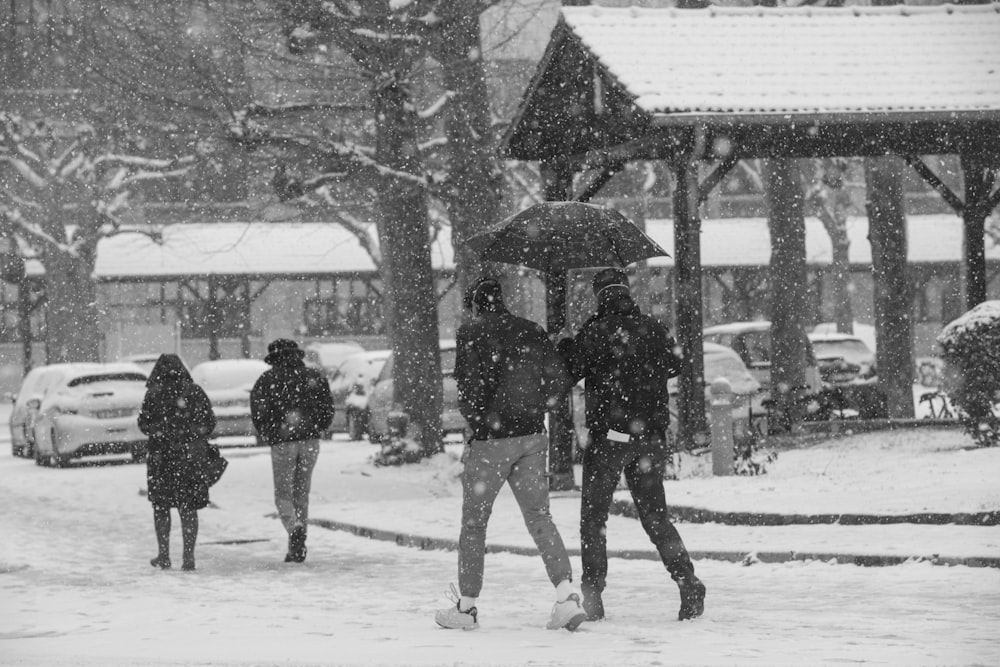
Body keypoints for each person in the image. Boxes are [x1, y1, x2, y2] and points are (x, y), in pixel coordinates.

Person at [435, 278, 586, 632]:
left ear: (475, 306)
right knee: (540, 518)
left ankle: (467, 607)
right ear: (500, 301)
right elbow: (555, 381)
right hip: (533, 436)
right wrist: (535, 408)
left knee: (474, 525)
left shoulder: (471, 334)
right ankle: (566, 596)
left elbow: (468, 389)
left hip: (491, 441)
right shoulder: (531, 331)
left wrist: (480, 423)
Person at [558, 267, 706, 622]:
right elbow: (676, 364)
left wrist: (566, 342)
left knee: (593, 518)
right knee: (655, 517)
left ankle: (593, 594)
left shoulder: (593, 333)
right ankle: (687, 581)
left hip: (609, 439)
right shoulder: (651, 328)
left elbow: (568, 371)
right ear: (627, 293)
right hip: (649, 438)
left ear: (600, 297)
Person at [251, 338, 335, 563]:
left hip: (283, 442)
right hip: (310, 442)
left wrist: (272, 433)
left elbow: (259, 412)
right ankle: (297, 545)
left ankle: (293, 527)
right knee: (301, 493)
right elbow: (327, 407)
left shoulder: (267, 380)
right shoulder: (313, 377)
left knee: (283, 494)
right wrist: (317, 428)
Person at [138, 353, 217, 572]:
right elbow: (209, 422)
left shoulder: (153, 394)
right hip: (189, 458)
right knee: (188, 507)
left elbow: (143, 425)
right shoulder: (194, 392)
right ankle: (188, 556)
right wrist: (192, 433)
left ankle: (164, 555)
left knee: (161, 507)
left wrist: (161, 432)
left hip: (161, 458)